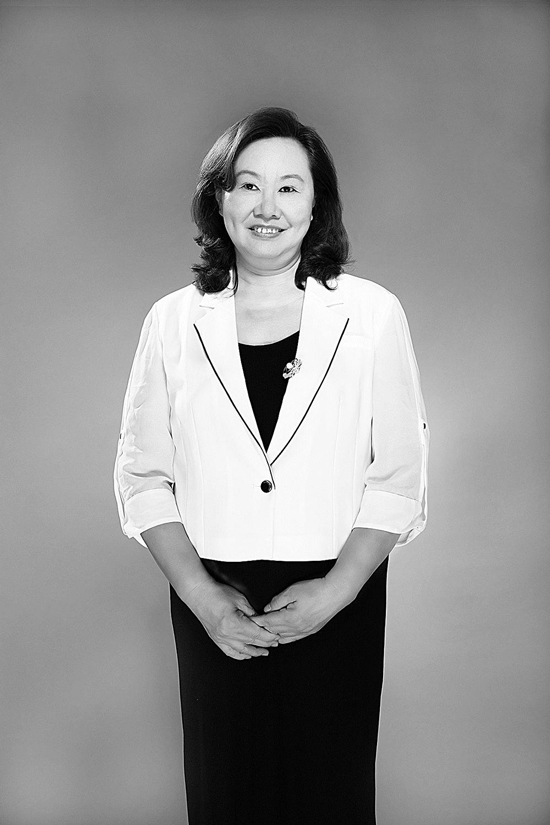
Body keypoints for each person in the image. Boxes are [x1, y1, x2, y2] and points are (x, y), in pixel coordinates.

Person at [114, 106, 428, 825]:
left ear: (317, 204)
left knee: (330, 798)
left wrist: (338, 590)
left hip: (338, 593)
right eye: (248, 185)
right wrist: (202, 597)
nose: (267, 206)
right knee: (227, 797)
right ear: (219, 198)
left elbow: (399, 475)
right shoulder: (172, 321)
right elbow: (142, 474)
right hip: (214, 599)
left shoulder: (372, 314)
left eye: (289, 187)